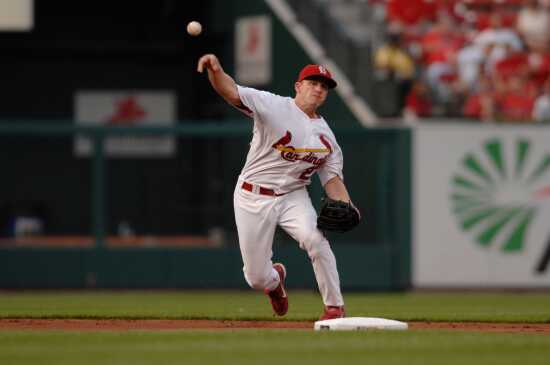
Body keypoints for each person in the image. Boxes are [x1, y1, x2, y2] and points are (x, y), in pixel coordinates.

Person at [197, 54, 359, 320]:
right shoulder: (272, 105)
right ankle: (274, 282)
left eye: (324, 86)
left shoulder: (327, 137)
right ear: (298, 86)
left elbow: (332, 180)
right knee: (256, 278)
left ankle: (334, 308)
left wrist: (346, 204)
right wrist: (216, 70)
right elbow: (231, 92)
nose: (319, 88)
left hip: (293, 195)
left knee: (316, 240)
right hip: (252, 194)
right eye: (313, 82)